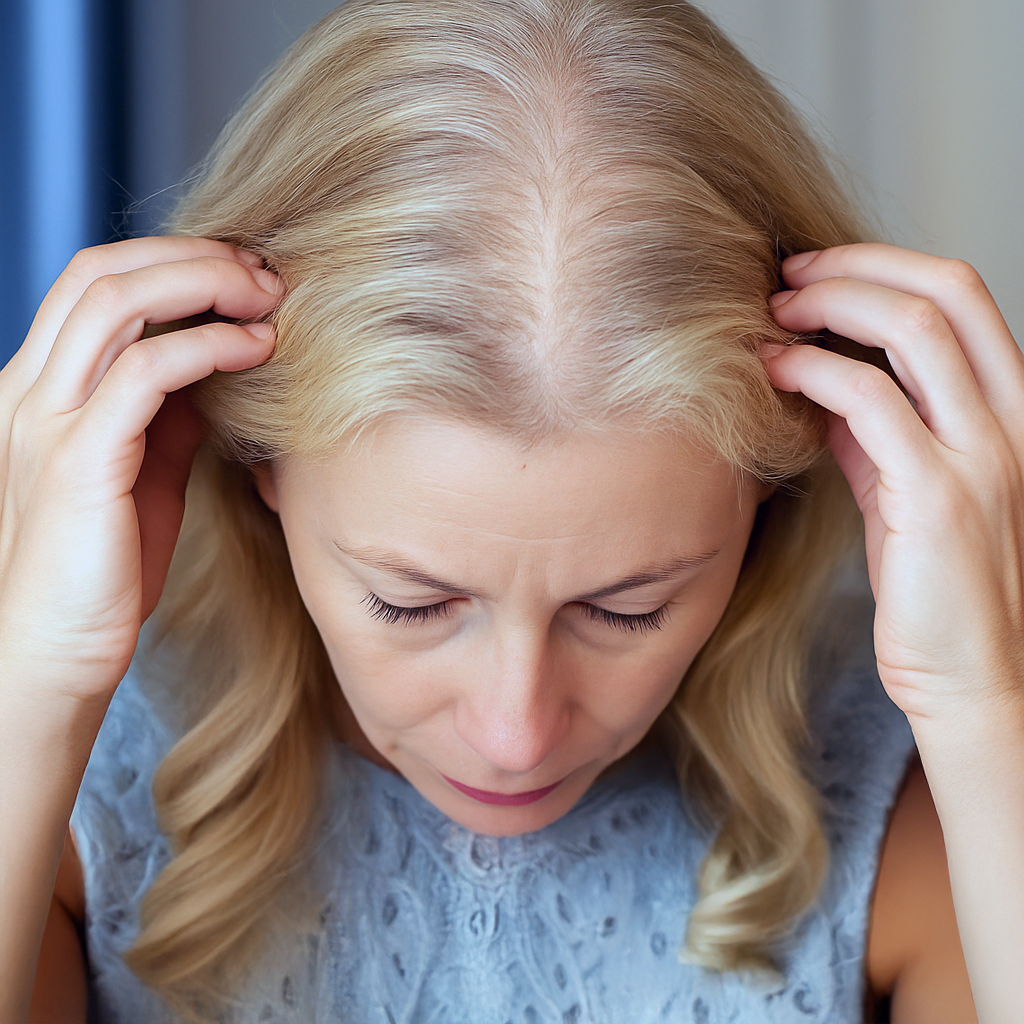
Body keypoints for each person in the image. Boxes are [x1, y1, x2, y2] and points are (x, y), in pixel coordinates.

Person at [2, 0, 1022, 1020]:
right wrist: (34, 680)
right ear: (255, 461)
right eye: (410, 602)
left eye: (626, 609)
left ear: (771, 488)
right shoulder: (74, 800)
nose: (515, 733)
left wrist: (983, 702)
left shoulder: (910, 803)